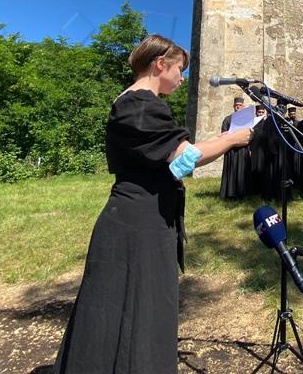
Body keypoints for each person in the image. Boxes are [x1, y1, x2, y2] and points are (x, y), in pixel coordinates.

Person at [53, 34, 252, 374]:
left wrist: (219, 139)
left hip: (138, 216)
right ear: (161, 64)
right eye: (180, 69)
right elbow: (182, 160)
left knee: (130, 308)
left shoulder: (137, 104)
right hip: (138, 223)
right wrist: (232, 139)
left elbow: (172, 156)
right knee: (136, 307)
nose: (181, 77)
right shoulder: (142, 103)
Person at [219, 97, 253, 199]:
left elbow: (250, 134)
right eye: (236, 105)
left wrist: (250, 148)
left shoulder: (247, 120)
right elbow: (223, 134)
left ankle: (242, 193)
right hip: (231, 149)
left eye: (240, 105)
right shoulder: (227, 119)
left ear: (243, 106)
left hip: (243, 149)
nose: (238, 107)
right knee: (231, 170)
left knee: (243, 171)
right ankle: (230, 193)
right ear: (234, 106)